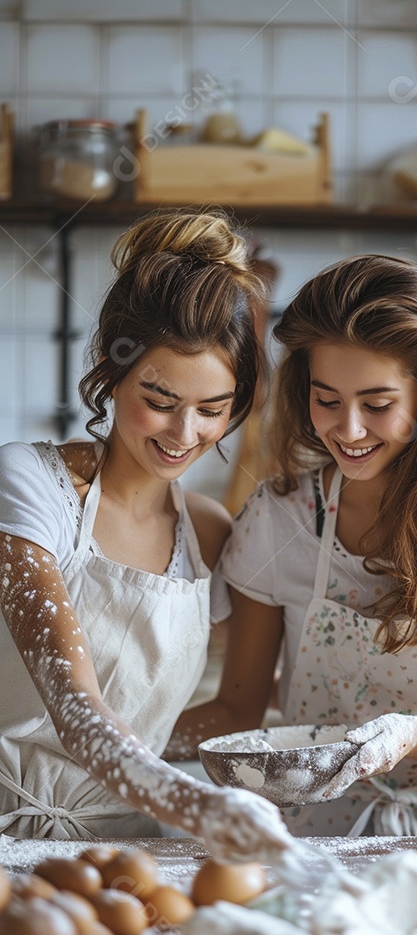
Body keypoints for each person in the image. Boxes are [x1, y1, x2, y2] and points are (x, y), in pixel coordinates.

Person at [191, 253, 417, 837]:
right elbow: (238, 710)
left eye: (379, 405)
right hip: (313, 845)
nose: (349, 429)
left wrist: (412, 738)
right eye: (327, 399)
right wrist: (104, 739)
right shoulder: (278, 520)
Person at [0, 207, 290, 859]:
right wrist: (199, 802)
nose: (183, 435)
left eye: (212, 411)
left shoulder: (211, 535)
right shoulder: (31, 486)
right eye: (159, 401)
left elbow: (238, 710)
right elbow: (74, 708)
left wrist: (154, 757)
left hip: (130, 850)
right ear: (111, 363)